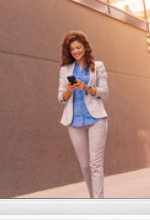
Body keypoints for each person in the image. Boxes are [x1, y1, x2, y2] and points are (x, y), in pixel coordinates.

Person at [57, 30, 108, 198]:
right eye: (72, 49)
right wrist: (69, 89)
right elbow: (61, 98)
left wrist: (87, 88)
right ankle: (93, 198)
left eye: (78, 47)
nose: (76, 51)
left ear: (84, 47)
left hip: (96, 120)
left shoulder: (97, 66)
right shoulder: (65, 69)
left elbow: (104, 91)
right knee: (85, 165)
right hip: (74, 122)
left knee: (95, 164)